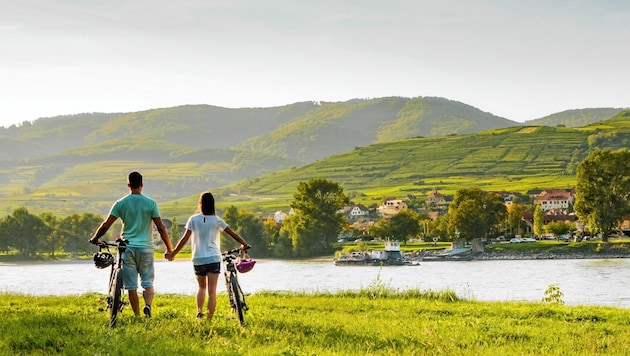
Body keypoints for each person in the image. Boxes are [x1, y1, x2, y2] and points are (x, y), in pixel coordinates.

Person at [89, 171, 173, 318]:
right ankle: (147, 306)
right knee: (147, 282)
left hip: (127, 248)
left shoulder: (120, 203)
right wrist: (169, 247)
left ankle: (137, 315)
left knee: (131, 286)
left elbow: (106, 225)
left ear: (128, 185)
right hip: (146, 248)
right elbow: (161, 227)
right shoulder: (151, 203)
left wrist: (96, 237)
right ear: (142, 185)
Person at [165, 191, 249, 321]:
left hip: (198, 258)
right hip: (213, 258)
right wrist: (244, 243)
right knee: (212, 291)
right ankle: (209, 318)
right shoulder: (217, 220)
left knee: (201, 287)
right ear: (212, 205)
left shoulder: (193, 219)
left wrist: (173, 253)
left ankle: (199, 312)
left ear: (200, 204)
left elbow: (184, 239)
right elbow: (233, 234)